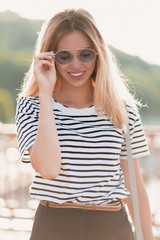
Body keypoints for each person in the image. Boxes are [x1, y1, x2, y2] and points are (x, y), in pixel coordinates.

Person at [16, 8, 154, 240]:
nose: (76, 64)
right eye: (64, 56)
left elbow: (134, 182)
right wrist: (46, 94)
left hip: (111, 226)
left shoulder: (123, 110)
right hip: (54, 226)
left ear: (98, 54)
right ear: (50, 58)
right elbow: (48, 169)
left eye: (85, 54)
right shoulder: (31, 106)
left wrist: (147, 237)